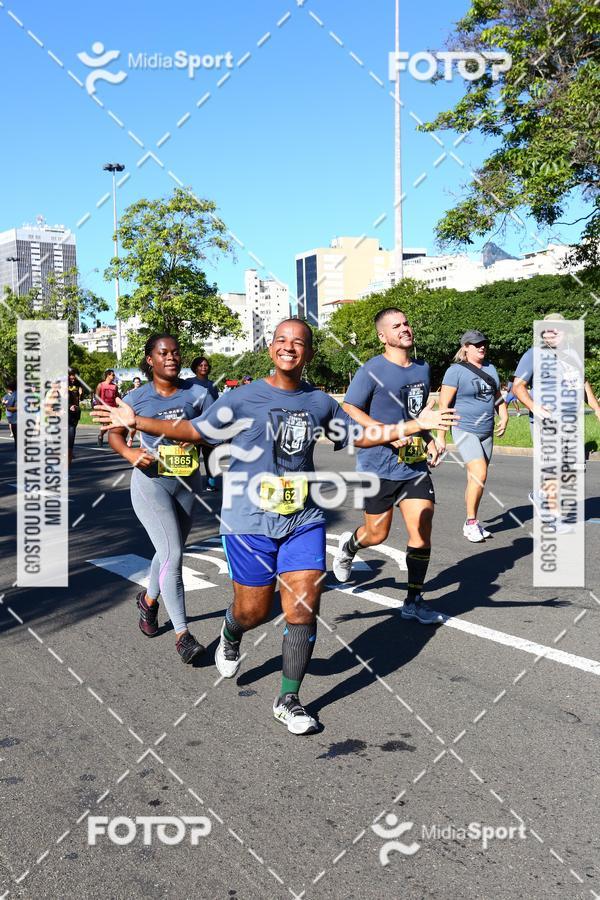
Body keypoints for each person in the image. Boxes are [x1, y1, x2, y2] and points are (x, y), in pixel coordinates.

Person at [93, 318, 457, 734]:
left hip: (303, 518)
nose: (289, 347)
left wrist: (415, 426)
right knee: (255, 609)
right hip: (248, 520)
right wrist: (137, 423)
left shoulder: (320, 402)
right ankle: (232, 630)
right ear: (271, 349)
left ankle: (289, 699)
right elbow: (195, 430)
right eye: (282, 340)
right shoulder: (244, 397)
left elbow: (361, 432)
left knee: (303, 603)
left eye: (299, 342)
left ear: (310, 353)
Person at [100, 334, 215, 663]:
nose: (172, 358)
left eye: (176, 352)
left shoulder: (199, 392)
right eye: (163, 353)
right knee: (173, 553)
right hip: (152, 484)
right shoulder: (136, 397)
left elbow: (213, 433)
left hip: (188, 483)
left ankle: (148, 602)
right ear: (150, 360)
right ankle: (183, 635)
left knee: (168, 551)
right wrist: (131, 454)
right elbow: (115, 434)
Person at [332, 308, 449, 626]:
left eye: (407, 323)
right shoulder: (372, 369)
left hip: (413, 466)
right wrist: (387, 433)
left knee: (422, 529)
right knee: (377, 534)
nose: (405, 328)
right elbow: (350, 408)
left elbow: (415, 415)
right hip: (378, 465)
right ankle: (350, 544)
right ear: (383, 336)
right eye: (396, 326)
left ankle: (413, 599)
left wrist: (429, 439)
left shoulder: (422, 368)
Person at [512, 314, 600, 519]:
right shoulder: (533, 354)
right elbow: (517, 386)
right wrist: (534, 406)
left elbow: (584, 382)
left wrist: (596, 408)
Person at [437, 331, 508, 542]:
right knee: (480, 473)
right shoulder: (455, 371)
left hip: (486, 431)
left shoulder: (491, 369)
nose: (482, 347)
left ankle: (473, 520)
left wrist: (504, 416)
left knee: (475, 479)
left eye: (484, 343)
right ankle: (470, 523)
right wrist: (441, 437)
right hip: (464, 428)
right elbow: (444, 405)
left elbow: (496, 396)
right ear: (465, 347)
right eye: (476, 344)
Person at [185, 357, 219, 491]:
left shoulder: (213, 385)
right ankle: (194, 483)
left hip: (208, 426)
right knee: (193, 455)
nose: (204, 367)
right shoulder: (188, 383)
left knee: (210, 455)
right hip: (192, 425)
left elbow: (216, 405)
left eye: (206, 365)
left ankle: (211, 483)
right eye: (200, 365)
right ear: (195, 368)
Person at [94, 370, 119, 446]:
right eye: (113, 375)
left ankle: (112, 441)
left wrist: (119, 406)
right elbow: (97, 396)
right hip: (103, 408)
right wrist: (99, 406)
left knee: (113, 425)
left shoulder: (115, 386)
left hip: (113, 408)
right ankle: (101, 435)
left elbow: (117, 397)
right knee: (106, 424)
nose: (114, 376)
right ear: (108, 375)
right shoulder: (100, 385)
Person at [68, 368, 84, 465]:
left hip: (75, 411)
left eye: (74, 376)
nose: (73, 378)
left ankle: (70, 451)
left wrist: (81, 394)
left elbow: (80, 398)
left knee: (72, 431)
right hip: (66, 410)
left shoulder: (79, 385)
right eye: (71, 376)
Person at [3, 380, 17, 446]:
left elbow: (10, 407)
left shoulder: (13, 395)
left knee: (17, 438)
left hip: (15, 418)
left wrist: (7, 406)